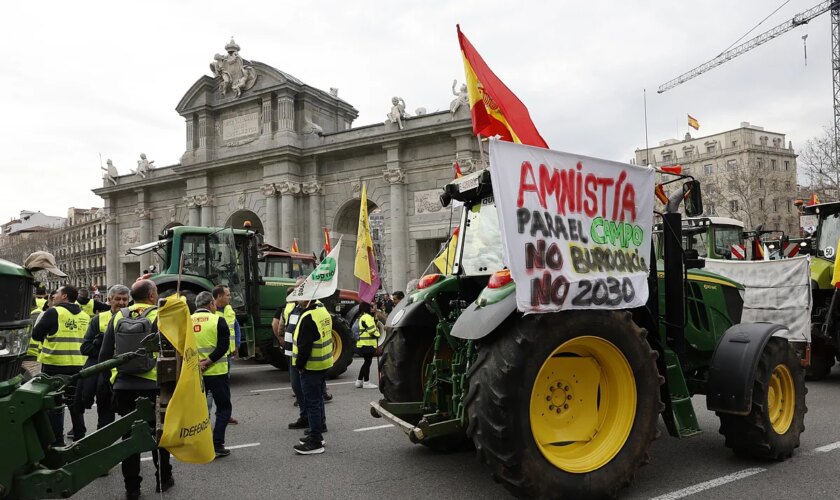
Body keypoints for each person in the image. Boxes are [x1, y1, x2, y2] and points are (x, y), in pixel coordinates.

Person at [99, 280, 173, 499]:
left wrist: (113, 383)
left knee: (129, 438)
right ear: (151, 296)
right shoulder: (159, 316)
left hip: (124, 386)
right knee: (159, 434)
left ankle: (132, 488)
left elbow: (104, 357)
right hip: (153, 386)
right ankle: (163, 479)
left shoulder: (118, 316)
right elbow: (172, 353)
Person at [31, 285, 90, 444]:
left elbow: (36, 335)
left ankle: (58, 440)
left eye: (56, 293)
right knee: (74, 402)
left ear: (64, 296)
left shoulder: (54, 312)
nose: (53, 296)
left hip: (54, 365)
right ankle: (80, 435)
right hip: (78, 366)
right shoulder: (84, 316)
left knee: (55, 404)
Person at [79, 284, 130, 431]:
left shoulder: (135, 318)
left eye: (124, 299)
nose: (121, 303)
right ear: (109, 300)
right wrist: (103, 346)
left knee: (129, 420)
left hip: (126, 376)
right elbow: (85, 348)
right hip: (105, 378)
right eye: (117, 299)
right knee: (105, 421)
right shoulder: (98, 320)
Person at [193, 291, 232, 458]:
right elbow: (223, 346)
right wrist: (207, 362)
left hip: (195, 373)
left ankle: (200, 444)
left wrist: (198, 364)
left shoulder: (187, 320)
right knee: (223, 408)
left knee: (199, 410)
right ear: (210, 304)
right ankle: (217, 444)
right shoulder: (218, 320)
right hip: (217, 372)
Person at [292, 298, 333, 455]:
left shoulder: (308, 316)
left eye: (301, 296)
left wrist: (300, 365)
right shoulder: (322, 311)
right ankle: (319, 432)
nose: (298, 299)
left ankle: (315, 441)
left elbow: (304, 346)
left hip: (311, 366)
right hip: (323, 363)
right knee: (318, 400)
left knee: (312, 403)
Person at [211, 285, 239, 425]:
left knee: (225, 388)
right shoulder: (211, 312)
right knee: (212, 390)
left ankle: (225, 414)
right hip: (213, 358)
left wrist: (237, 345)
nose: (230, 297)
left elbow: (236, 327)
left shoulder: (229, 310)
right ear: (219, 297)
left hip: (227, 355)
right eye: (227, 295)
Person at [355, 303, 380, 389]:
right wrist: (378, 333)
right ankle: (366, 382)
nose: (373, 308)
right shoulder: (367, 317)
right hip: (367, 343)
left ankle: (359, 381)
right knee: (367, 362)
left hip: (363, 343)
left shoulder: (363, 316)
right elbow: (372, 331)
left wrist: (375, 319)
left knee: (366, 362)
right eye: (371, 307)